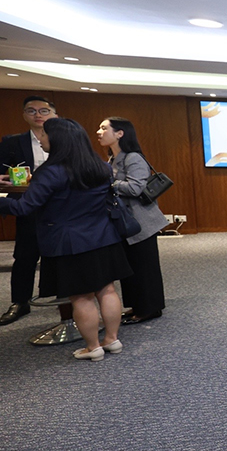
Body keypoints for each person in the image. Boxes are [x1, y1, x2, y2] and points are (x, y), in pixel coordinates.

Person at [0, 119, 130, 361]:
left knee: (81, 297)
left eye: (44, 134)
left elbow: (24, 207)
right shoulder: (100, 167)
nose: (40, 139)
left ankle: (93, 347)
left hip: (69, 243)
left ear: (58, 140)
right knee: (107, 290)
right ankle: (112, 339)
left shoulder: (50, 172)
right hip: (103, 236)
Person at [0, 96, 72, 326]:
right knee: (25, 256)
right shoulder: (12, 142)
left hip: (62, 207)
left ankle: (68, 302)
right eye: (31, 111)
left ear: (55, 115)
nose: (38, 115)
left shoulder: (68, 139)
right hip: (28, 205)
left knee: (64, 256)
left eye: (44, 110)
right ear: (24, 115)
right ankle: (20, 302)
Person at [97, 117, 169, 324]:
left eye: (104, 128)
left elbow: (136, 188)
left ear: (120, 133)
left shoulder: (133, 158)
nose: (99, 132)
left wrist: (109, 184)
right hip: (125, 222)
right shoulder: (113, 158)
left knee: (144, 268)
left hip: (141, 222)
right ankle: (137, 305)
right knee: (131, 268)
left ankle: (150, 309)